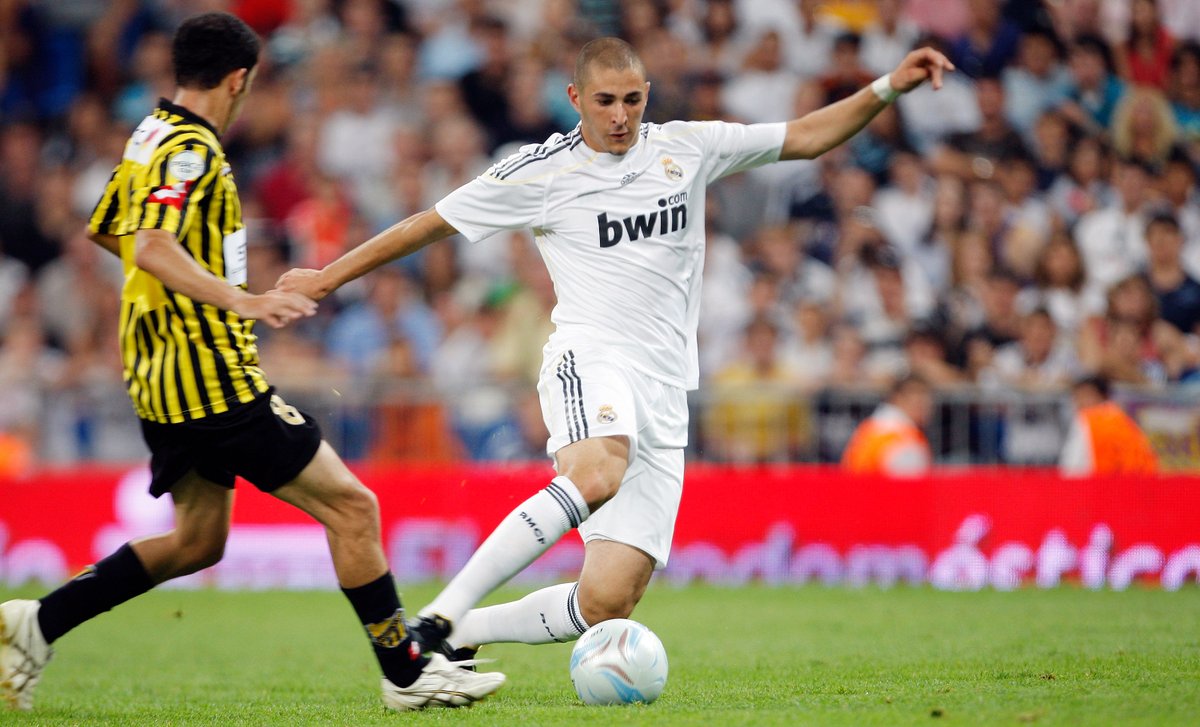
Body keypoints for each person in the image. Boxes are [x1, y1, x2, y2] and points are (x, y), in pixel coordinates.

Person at [275, 37, 954, 662]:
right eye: (605, 100)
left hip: (664, 387)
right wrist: (328, 276)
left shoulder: (687, 147)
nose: (621, 114)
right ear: (576, 99)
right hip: (589, 355)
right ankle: (446, 612)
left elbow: (806, 137)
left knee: (607, 599)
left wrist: (888, 86)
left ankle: (465, 635)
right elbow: (428, 225)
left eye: (633, 99)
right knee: (598, 470)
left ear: (646, 95)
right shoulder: (540, 171)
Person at [0, 13, 503, 713]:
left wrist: (177, 300)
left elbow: (106, 226)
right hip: (211, 380)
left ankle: (35, 623)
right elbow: (146, 243)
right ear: (239, 79)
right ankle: (408, 672)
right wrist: (235, 300)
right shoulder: (190, 151)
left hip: (159, 377)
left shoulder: (150, 132)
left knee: (199, 540)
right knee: (354, 507)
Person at [1060, 375, 1159, 476]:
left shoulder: (1087, 420)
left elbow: (1072, 466)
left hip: (1102, 485)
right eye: (1077, 397)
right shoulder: (1123, 419)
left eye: (1086, 396)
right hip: (1135, 485)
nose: (1080, 402)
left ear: (1102, 396)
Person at [840, 375, 935, 477]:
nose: (927, 406)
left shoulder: (874, 425)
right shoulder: (903, 436)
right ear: (897, 398)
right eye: (919, 401)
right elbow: (910, 483)